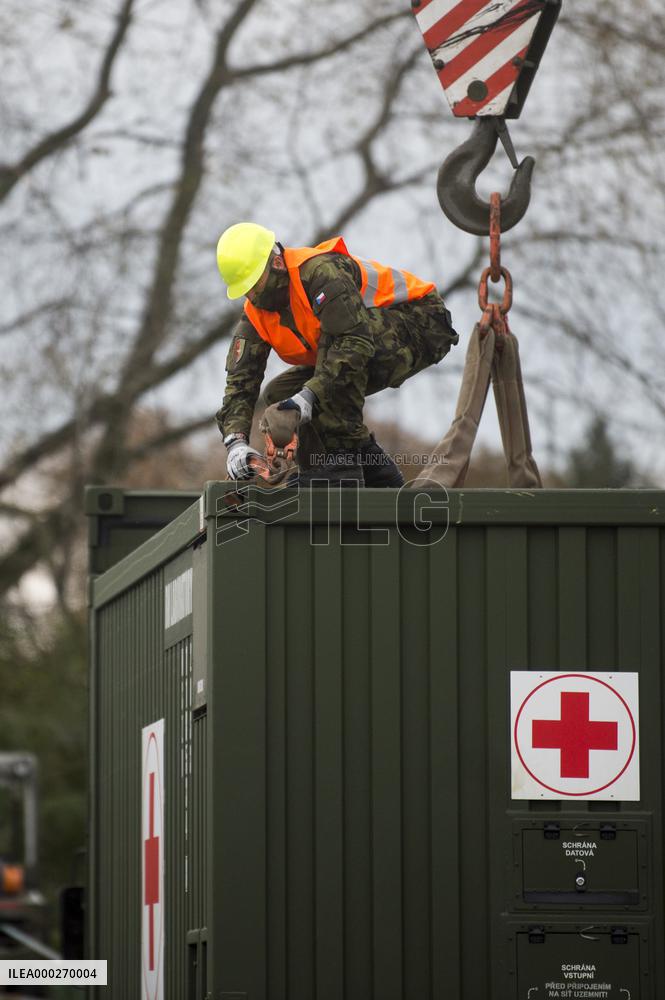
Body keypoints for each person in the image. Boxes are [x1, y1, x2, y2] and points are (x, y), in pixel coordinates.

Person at [215, 222, 458, 486]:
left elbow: (353, 342)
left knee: (334, 363)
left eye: (256, 284)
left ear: (275, 262)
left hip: (422, 323)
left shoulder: (320, 273)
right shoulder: (255, 316)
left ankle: (341, 467)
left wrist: (308, 397)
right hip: (356, 343)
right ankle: (364, 472)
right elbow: (240, 384)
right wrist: (235, 443)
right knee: (280, 393)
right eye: (246, 290)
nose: (254, 295)